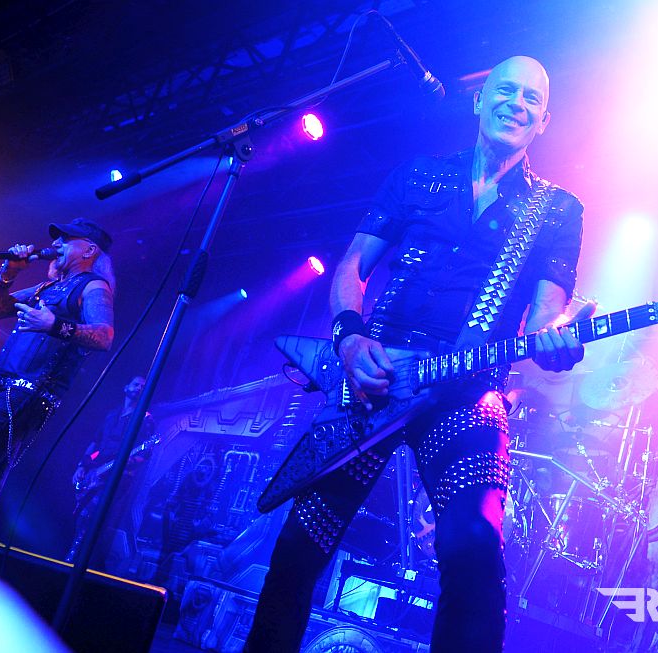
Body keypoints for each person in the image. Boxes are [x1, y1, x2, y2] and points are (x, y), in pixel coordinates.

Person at [245, 56, 585, 652]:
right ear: (478, 100)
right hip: (372, 384)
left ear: (544, 121)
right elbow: (352, 266)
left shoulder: (557, 210)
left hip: (466, 394)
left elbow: (544, 319)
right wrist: (349, 337)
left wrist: (560, 341)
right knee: (298, 547)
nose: (516, 103)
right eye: (505, 90)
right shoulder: (418, 176)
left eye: (531, 98)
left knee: (474, 550)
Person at [0, 218, 115, 537]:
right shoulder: (47, 287)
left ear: (89, 250)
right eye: (56, 239)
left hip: (31, 391)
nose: (55, 244)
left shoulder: (93, 286)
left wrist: (54, 325)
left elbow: (104, 336)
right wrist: (9, 272)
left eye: (65, 240)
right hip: (4, 387)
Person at [67, 375, 156, 569]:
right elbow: (96, 443)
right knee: (81, 514)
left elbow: (145, 453)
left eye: (143, 386)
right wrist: (82, 466)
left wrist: (129, 463)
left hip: (118, 477)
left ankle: (84, 562)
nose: (139, 388)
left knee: (94, 516)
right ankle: (72, 555)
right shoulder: (111, 415)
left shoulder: (145, 419)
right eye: (136, 384)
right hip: (96, 471)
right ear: (126, 387)